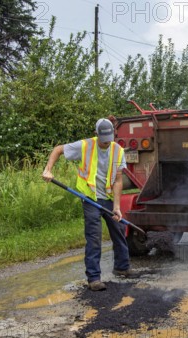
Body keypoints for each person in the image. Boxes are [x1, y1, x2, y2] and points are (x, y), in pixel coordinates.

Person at [42, 118, 131, 291]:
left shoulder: (117, 150)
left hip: (108, 196)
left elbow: (118, 180)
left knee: (119, 229)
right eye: (103, 138)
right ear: (96, 134)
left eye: (109, 138)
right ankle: (94, 278)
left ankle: (122, 267)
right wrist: (48, 169)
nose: (106, 142)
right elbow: (58, 149)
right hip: (90, 198)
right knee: (94, 236)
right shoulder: (85, 146)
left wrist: (117, 206)